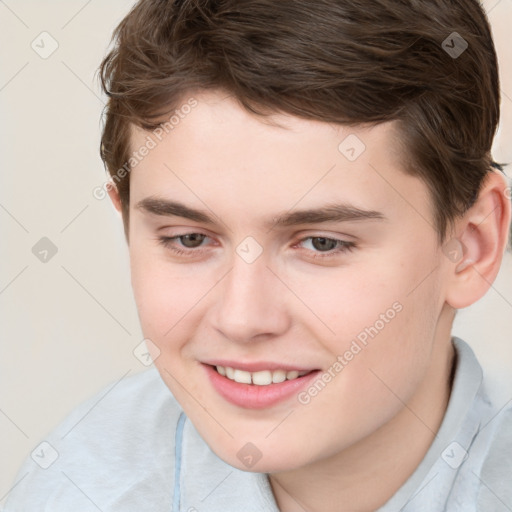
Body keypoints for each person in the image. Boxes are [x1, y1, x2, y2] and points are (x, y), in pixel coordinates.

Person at [4, 0, 512, 510]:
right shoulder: (72, 491)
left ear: (471, 246)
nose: (242, 319)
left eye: (321, 243)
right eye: (189, 239)